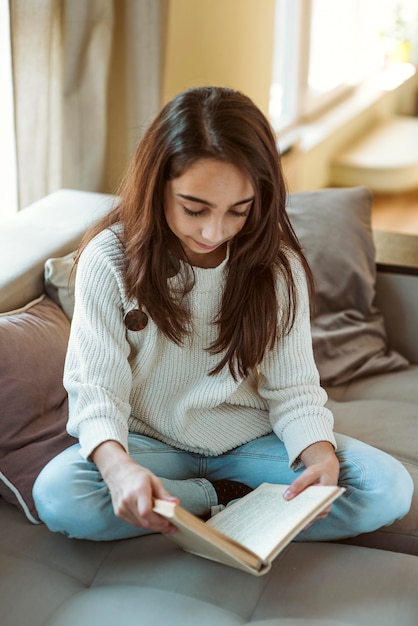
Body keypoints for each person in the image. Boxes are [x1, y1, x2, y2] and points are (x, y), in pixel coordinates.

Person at [33, 86, 413, 542]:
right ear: (158, 189)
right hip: (150, 444)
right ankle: (219, 502)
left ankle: (194, 506)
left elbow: (293, 390)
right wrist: (120, 471)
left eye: (239, 210)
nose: (215, 231)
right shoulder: (108, 259)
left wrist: (321, 460)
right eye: (195, 209)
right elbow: (96, 389)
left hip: (253, 445)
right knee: (59, 493)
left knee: (386, 488)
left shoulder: (277, 268)